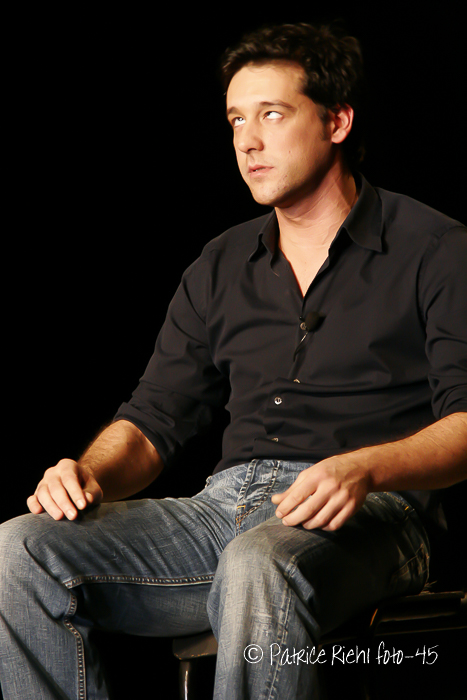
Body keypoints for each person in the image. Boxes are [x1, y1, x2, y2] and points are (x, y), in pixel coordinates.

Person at [1, 21, 466, 700]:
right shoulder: (220, 263)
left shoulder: (435, 248)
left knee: (259, 561)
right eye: (236, 120)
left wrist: (364, 467)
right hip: (224, 508)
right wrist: (89, 473)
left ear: (336, 122)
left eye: (271, 114)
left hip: (374, 516)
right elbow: (153, 420)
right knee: (21, 547)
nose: (247, 141)